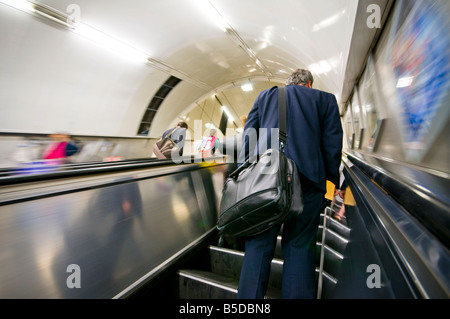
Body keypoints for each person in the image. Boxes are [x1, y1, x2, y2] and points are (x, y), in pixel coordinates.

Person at [237, 68, 343, 299]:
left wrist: (242, 174)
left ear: (290, 83)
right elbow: (332, 148)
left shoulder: (265, 96)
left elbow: (248, 138)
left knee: (258, 246)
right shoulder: (325, 100)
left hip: (265, 180)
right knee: (299, 248)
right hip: (309, 182)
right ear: (309, 84)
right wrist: (330, 188)